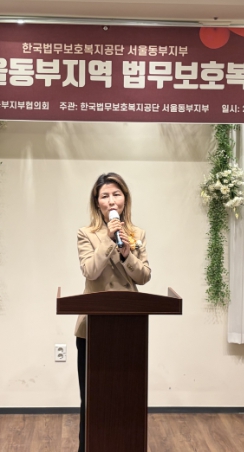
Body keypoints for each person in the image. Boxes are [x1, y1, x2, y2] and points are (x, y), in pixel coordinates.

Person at [74, 172, 151, 452]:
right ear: (97, 203)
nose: (111, 200)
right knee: (93, 398)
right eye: (105, 196)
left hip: (129, 327)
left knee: (127, 396)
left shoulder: (137, 234)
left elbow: (144, 276)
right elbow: (90, 271)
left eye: (116, 194)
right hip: (92, 329)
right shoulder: (86, 234)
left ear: (124, 199)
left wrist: (128, 254)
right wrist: (108, 240)